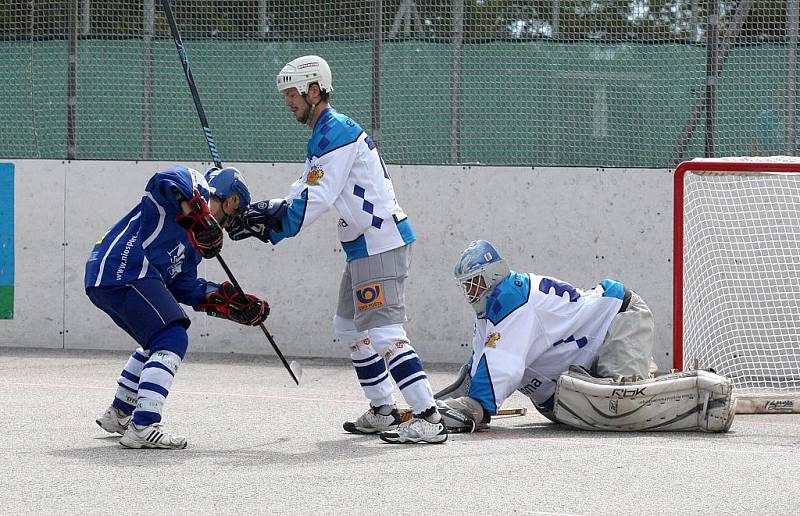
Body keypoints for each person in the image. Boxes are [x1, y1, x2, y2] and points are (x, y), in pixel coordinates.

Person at [227, 55, 446, 444]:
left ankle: (428, 417)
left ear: (314, 89)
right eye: (285, 95)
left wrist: (273, 223)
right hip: (364, 246)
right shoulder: (324, 135)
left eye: (292, 93)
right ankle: (384, 409)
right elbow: (303, 189)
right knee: (348, 327)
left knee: (383, 331)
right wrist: (261, 218)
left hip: (379, 243)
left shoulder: (335, 132)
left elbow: (316, 198)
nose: (287, 102)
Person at [434, 240, 736, 433]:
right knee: (572, 413)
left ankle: (705, 392)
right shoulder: (491, 309)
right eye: (466, 285)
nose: (470, 292)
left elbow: (503, 368)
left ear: (492, 277)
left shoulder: (510, 302)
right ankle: (654, 380)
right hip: (587, 352)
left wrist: (475, 407)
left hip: (616, 322)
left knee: (621, 408)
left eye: (474, 283)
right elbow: (477, 368)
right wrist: (430, 408)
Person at [87, 165, 269, 449]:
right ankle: (144, 425)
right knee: (172, 336)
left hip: (113, 276)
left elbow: (183, 285)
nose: (228, 225)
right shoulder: (194, 184)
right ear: (232, 201)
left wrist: (229, 302)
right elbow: (165, 179)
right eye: (234, 213)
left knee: (155, 340)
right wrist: (198, 215)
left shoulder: (194, 247)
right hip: (126, 268)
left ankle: (119, 413)